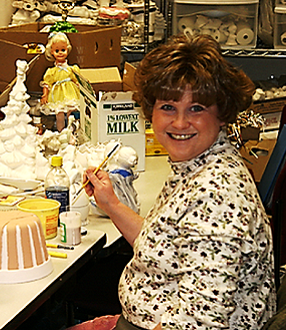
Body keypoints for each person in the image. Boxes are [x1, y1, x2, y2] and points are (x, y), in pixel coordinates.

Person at [84, 34, 276, 330]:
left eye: (197, 108)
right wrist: (111, 204)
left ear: (222, 114)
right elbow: (163, 250)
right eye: (168, 107)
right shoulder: (198, 164)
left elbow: (198, 323)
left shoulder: (218, 194)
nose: (180, 122)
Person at [40, 32, 80, 132]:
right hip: (58, 95)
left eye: (63, 50)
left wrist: (82, 88)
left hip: (70, 93)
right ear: (52, 52)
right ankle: (61, 133)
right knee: (60, 116)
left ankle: (71, 132)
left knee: (71, 113)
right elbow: (47, 83)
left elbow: (77, 81)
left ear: (67, 49)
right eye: (57, 50)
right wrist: (45, 95)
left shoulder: (72, 69)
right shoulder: (51, 71)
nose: (60, 53)